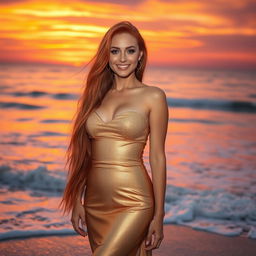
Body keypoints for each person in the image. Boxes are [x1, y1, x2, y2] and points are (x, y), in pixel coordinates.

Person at [59, 21, 168, 255]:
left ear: (140, 55)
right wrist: (77, 200)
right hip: (96, 202)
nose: (122, 58)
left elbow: (157, 157)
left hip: (135, 201)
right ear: (106, 56)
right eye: (115, 51)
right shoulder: (95, 96)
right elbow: (84, 154)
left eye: (130, 50)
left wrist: (159, 216)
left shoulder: (153, 96)